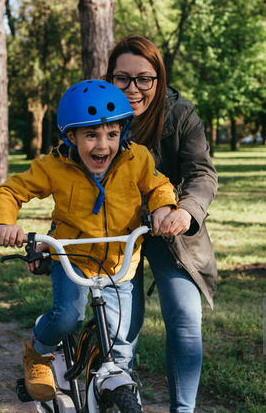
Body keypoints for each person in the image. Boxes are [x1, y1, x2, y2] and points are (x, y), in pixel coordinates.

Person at [0, 79, 177, 402]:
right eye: (91, 135)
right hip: (71, 257)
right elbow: (10, 191)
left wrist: (164, 209)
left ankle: (110, 391)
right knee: (67, 317)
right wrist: (5, 223)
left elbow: (160, 187)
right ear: (71, 136)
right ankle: (38, 351)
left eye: (112, 135)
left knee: (120, 343)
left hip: (120, 261)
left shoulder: (138, 159)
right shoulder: (54, 166)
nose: (102, 145)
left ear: (123, 133)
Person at [105, 35, 218, 412]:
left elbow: (202, 173)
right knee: (122, 328)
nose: (133, 89)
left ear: (159, 79)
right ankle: (120, 401)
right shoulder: (95, 111)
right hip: (116, 232)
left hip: (172, 232)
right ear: (110, 78)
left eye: (144, 79)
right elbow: (68, 179)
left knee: (185, 319)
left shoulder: (181, 114)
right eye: (123, 78)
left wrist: (185, 212)